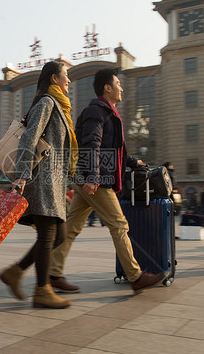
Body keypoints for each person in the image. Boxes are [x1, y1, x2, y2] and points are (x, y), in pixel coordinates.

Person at [48, 68, 165, 295]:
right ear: (107, 88)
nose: (122, 87)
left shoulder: (107, 112)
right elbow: (92, 145)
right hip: (96, 180)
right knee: (119, 225)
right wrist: (93, 176)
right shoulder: (97, 111)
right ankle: (135, 276)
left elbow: (114, 150)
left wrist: (132, 162)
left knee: (71, 228)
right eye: (118, 83)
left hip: (86, 178)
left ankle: (53, 272)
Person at [0, 61, 75, 309]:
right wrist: (22, 174)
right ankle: (42, 291)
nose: (69, 80)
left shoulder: (59, 107)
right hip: (40, 178)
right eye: (66, 76)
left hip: (53, 182)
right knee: (48, 235)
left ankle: (15, 272)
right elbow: (29, 137)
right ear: (54, 78)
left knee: (58, 235)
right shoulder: (47, 103)